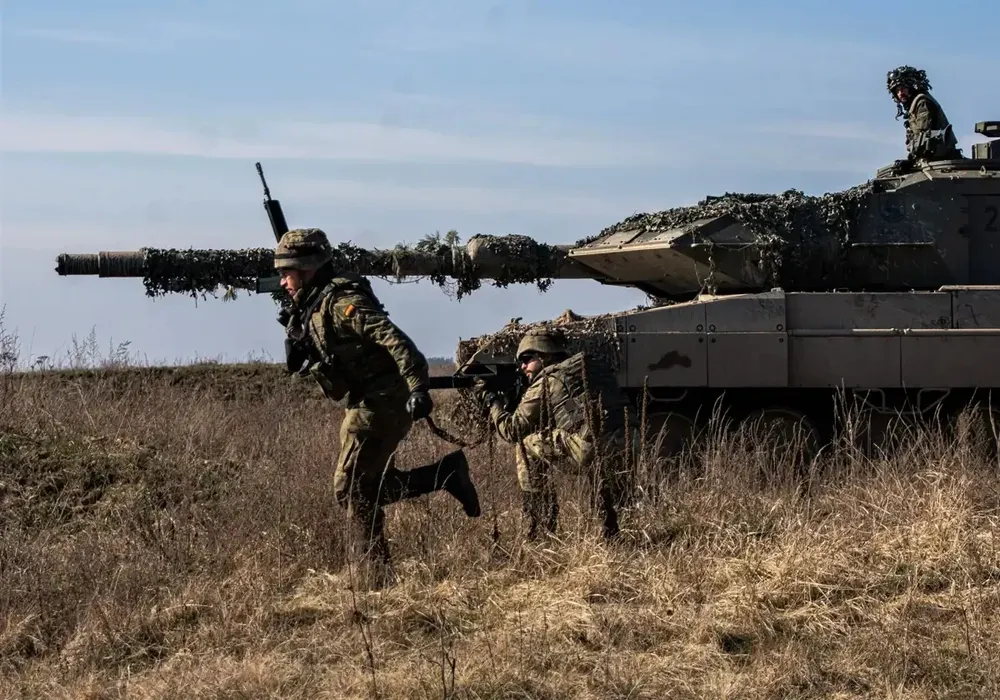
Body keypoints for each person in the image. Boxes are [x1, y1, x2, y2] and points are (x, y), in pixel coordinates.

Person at [275, 227, 481, 586]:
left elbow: (398, 342)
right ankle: (443, 478)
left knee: (352, 489)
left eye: (286, 273)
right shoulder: (315, 304)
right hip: (365, 402)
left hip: (382, 402)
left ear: (306, 268)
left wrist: (418, 387)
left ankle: (372, 577)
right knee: (363, 489)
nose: (282, 283)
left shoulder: (342, 303)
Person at [473, 327, 637, 541]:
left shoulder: (547, 380)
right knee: (603, 469)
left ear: (544, 355)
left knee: (525, 444)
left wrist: (491, 401)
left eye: (527, 359)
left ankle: (541, 525)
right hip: (629, 440)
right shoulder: (590, 365)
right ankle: (614, 533)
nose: (523, 366)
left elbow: (512, 430)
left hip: (590, 448)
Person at [886, 65, 963, 170]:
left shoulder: (922, 102)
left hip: (940, 159)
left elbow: (922, 135)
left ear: (912, 86)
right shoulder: (914, 105)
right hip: (930, 159)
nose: (900, 93)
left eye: (903, 88)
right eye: (897, 90)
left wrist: (912, 160)